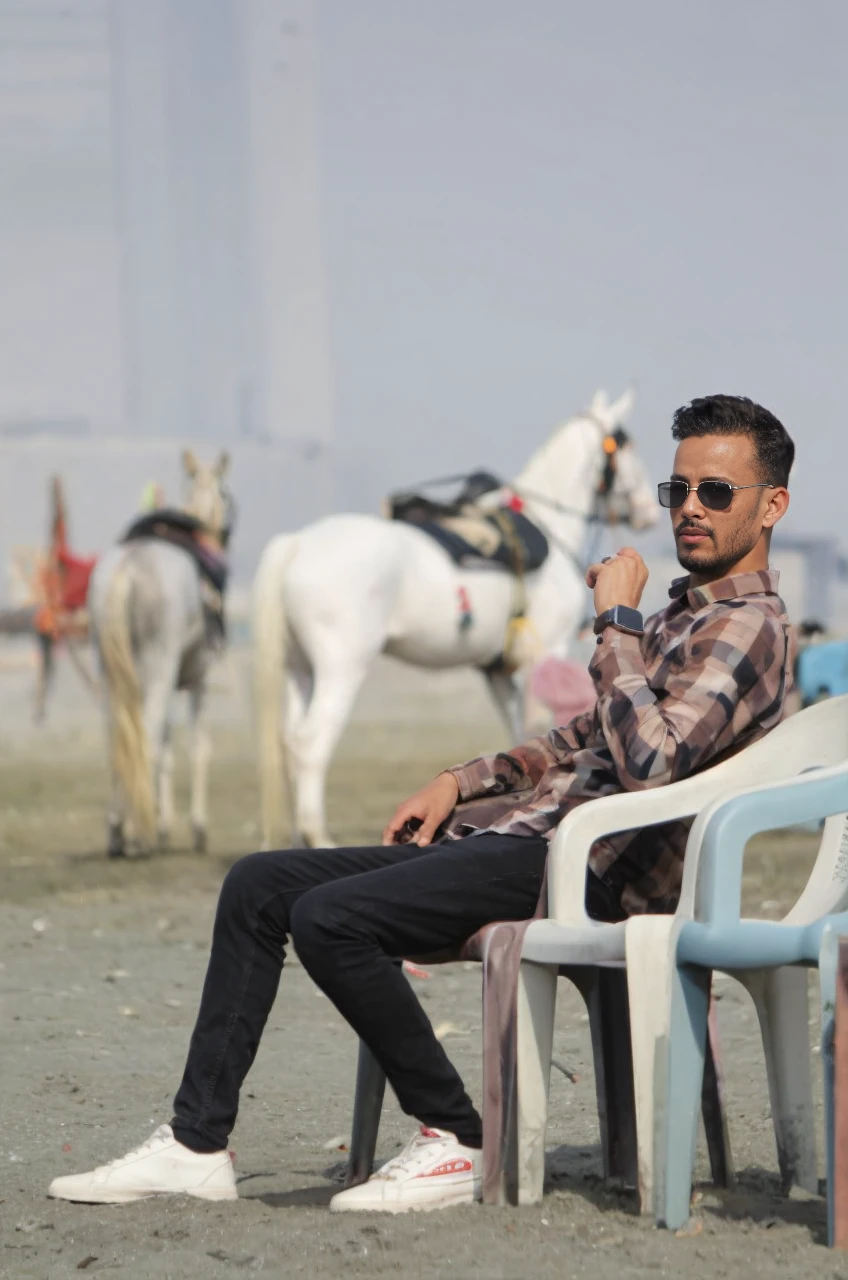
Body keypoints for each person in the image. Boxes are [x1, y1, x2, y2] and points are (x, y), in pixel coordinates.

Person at [49, 395, 795, 1213]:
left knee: (330, 918)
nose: (689, 508)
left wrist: (613, 622)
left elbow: (651, 761)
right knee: (258, 884)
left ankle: (459, 1135)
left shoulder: (746, 626)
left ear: (771, 507)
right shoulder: (678, 620)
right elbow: (577, 738)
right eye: (677, 490)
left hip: (587, 867)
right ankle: (196, 1144)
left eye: (714, 493)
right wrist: (458, 782)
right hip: (524, 841)